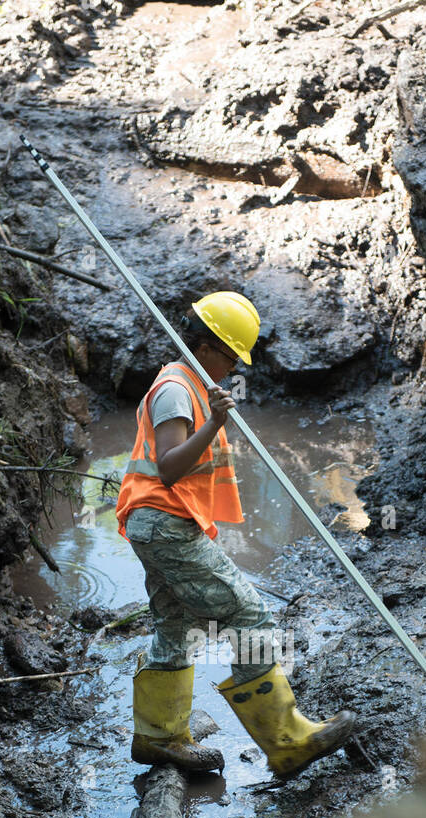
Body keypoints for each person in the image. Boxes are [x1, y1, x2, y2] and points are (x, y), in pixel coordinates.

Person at [115, 290, 355, 779]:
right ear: (207, 346)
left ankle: (160, 737)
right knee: (249, 614)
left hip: (155, 523)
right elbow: (169, 466)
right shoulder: (177, 390)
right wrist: (216, 423)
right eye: (230, 356)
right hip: (164, 520)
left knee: (174, 624)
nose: (231, 367)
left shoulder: (188, 386)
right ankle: (286, 740)